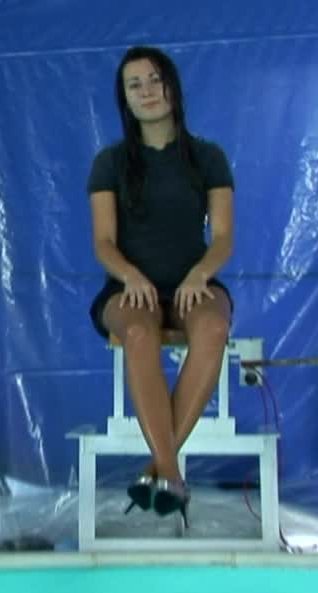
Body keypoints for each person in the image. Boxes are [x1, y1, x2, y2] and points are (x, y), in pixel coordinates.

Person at [85, 45, 235, 528]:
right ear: (124, 99)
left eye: (155, 80)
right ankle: (171, 474)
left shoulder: (208, 157)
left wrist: (200, 273)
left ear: (172, 86)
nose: (147, 91)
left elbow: (223, 238)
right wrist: (130, 275)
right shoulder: (109, 163)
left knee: (213, 327)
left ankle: (158, 470)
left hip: (193, 284)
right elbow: (103, 243)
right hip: (128, 291)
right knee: (139, 332)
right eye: (135, 85)